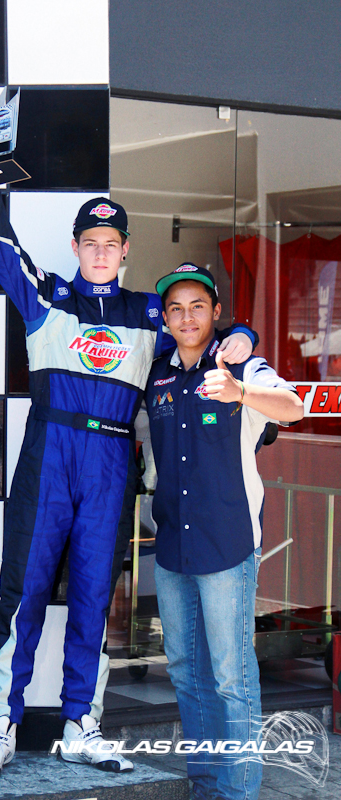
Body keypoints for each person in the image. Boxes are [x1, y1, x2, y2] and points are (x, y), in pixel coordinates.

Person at [0, 128, 257, 781]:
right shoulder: (46, 295)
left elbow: (200, 325)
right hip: (50, 454)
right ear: (75, 247)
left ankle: (82, 726)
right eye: (89, 242)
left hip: (110, 461)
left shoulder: (149, 314)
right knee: (23, 594)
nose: (100, 252)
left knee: (96, 598)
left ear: (125, 250)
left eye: (111, 243)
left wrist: (243, 332)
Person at [144, 264, 304, 800]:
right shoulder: (157, 373)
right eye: (176, 308)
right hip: (173, 547)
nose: (186, 317)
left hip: (228, 546)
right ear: (166, 318)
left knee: (232, 678)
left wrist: (240, 391)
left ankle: (237, 792)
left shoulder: (242, 365)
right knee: (186, 673)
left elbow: (294, 407)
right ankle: (206, 785)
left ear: (216, 311)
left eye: (197, 306)